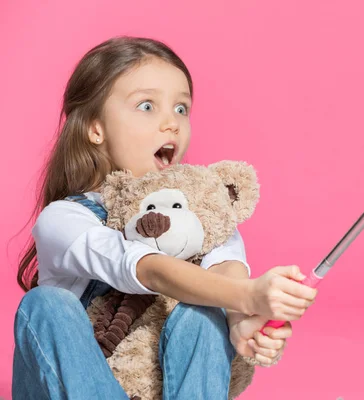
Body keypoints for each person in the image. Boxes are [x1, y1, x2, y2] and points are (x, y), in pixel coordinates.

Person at [12, 36, 317, 400]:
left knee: (202, 312)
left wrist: (242, 321)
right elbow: (144, 267)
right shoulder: (64, 219)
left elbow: (226, 270)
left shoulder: (202, 215)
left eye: (181, 109)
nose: (171, 123)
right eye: (146, 106)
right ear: (96, 128)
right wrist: (249, 296)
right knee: (46, 305)